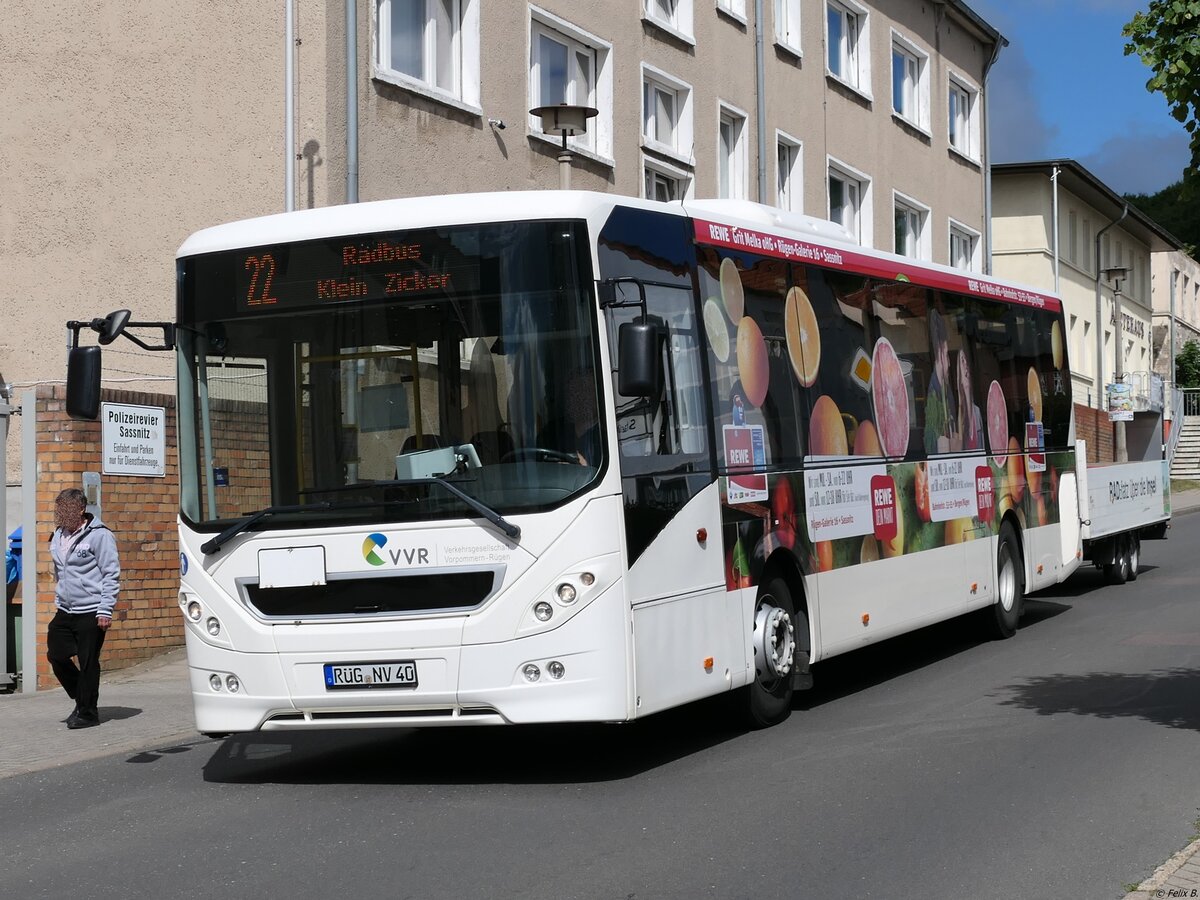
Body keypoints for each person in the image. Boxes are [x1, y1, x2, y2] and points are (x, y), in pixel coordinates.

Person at [46, 488, 119, 730]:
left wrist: (105, 609)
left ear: (81, 509)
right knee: (56, 655)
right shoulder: (58, 535)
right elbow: (60, 571)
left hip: (91, 609)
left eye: (66, 509)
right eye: (59, 509)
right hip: (65, 609)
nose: (61, 513)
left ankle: (88, 713)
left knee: (88, 662)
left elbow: (110, 574)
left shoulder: (100, 535)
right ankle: (82, 697)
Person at [955, 349, 984, 451]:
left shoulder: (977, 411)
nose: (966, 365)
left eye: (966, 361)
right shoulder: (958, 415)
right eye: (962, 361)